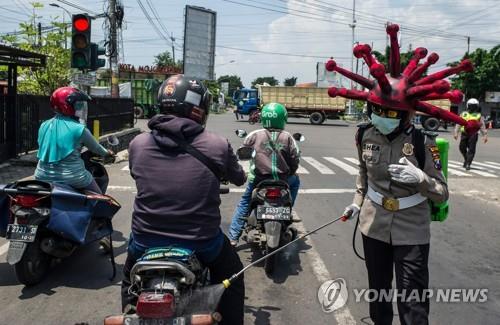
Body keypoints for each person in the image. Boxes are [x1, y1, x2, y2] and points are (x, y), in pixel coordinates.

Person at [327, 24, 479, 325]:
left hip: (412, 230)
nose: (382, 117)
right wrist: (356, 202)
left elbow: (442, 192)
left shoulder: (423, 143)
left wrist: (420, 180)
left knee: (413, 302)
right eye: (377, 110)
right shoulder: (364, 136)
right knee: (377, 295)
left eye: (390, 113)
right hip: (373, 227)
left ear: (407, 113)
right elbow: (363, 174)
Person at [122, 74, 247, 324]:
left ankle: (129, 312)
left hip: (145, 240)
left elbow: (139, 176)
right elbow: (240, 179)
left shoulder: (137, 144)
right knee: (234, 278)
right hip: (201, 242)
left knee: (128, 280)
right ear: (199, 108)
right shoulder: (217, 145)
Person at [228, 102, 300, 246]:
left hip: (259, 180)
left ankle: (233, 237)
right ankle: (287, 208)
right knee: (296, 182)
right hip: (283, 180)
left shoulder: (254, 135)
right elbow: (295, 158)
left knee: (245, 203)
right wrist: (291, 172)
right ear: (282, 118)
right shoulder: (288, 137)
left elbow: (242, 152)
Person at [35, 87, 113, 193]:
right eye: (78, 104)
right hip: (73, 177)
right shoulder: (79, 129)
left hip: (41, 176)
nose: (81, 108)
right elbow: (96, 148)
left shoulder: (44, 125)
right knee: (99, 198)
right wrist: (107, 154)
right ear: (66, 105)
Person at [453, 98, 488, 170]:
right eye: (471, 106)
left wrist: (485, 135)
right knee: (462, 147)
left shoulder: (479, 115)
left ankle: (468, 163)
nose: (472, 107)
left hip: (474, 134)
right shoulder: (463, 114)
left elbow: (482, 126)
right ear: (468, 106)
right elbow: (458, 123)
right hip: (464, 133)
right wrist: (456, 132)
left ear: (477, 106)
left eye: (474, 106)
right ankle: (466, 159)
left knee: (471, 149)